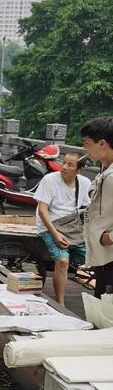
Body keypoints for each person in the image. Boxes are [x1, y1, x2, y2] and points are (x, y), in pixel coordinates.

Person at [34, 153, 91, 305]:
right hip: (49, 225)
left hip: (72, 226)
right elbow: (42, 211)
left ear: (79, 170)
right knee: (63, 260)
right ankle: (61, 304)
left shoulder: (84, 183)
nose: (64, 167)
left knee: (96, 257)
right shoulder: (49, 180)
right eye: (63, 162)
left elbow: (86, 210)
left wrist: (89, 230)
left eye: (70, 165)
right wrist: (55, 234)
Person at [81, 118, 113, 297]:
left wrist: (108, 238)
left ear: (102, 143)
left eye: (87, 144)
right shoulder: (105, 169)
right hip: (104, 256)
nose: (85, 149)